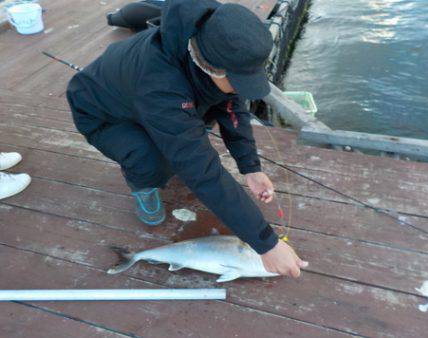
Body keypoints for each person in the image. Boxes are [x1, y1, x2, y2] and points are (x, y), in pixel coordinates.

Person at [66, 0, 307, 278]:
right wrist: (266, 244)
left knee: (188, 135)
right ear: (212, 68)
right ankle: (142, 184)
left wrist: (250, 166)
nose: (242, 88)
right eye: (239, 80)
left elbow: (231, 105)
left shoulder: (214, 40)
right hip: (103, 114)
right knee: (156, 159)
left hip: (142, 100)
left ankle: (162, 154)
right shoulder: (161, 85)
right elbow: (201, 170)